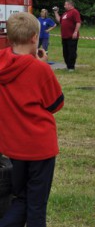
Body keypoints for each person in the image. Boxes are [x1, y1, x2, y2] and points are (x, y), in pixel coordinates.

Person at [0, 12, 64, 227]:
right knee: (36, 205)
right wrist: (43, 65)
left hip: (12, 147)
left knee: (22, 198)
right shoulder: (40, 69)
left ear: (8, 38)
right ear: (35, 37)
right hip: (40, 148)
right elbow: (56, 104)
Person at [53, 0, 81, 72]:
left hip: (72, 36)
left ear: (70, 5)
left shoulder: (74, 12)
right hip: (64, 36)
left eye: (65, 5)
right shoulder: (65, 13)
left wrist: (75, 32)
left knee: (72, 52)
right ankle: (68, 66)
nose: (64, 6)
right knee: (65, 52)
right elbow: (60, 20)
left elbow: (78, 22)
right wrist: (56, 13)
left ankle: (71, 67)